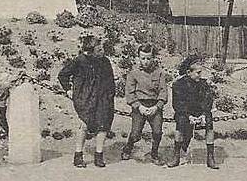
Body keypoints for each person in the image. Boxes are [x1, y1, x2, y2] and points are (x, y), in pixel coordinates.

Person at [57, 32, 115, 168]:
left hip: (102, 98)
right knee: (83, 125)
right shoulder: (80, 61)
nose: (102, 51)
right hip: (85, 98)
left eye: (102, 49)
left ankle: (99, 155)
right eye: (99, 50)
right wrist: (68, 90)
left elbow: (110, 80)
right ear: (90, 52)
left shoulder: (105, 61)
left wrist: (109, 96)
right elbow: (63, 75)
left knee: (103, 125)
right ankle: (78, 155)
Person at [120, 44, 170, 164]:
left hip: (155, 106)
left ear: (153, 58)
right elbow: (130, 93)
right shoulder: (133, 73)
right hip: (139, 106)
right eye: (142, 58)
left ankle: (154, 153)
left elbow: (163, 92)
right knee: (136, 133)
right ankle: (128, 147)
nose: (145, 61)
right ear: (138, 58)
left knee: (157, 132)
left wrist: (157, 106)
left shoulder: (160, 73)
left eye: (148, 58)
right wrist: (138, 106)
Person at [168, 54, 218, 169]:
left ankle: (210, 157)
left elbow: (207, 101)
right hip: (184, 113)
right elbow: (178, 104)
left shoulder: (203, 84)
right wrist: (189, 116)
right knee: (180, 122)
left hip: (200, 114)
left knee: (209, 122)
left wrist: (204, 115)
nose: (200, 75)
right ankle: (176, 156)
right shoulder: (178, 85)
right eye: (198, 72)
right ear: (188, 72)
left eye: (201, 72)